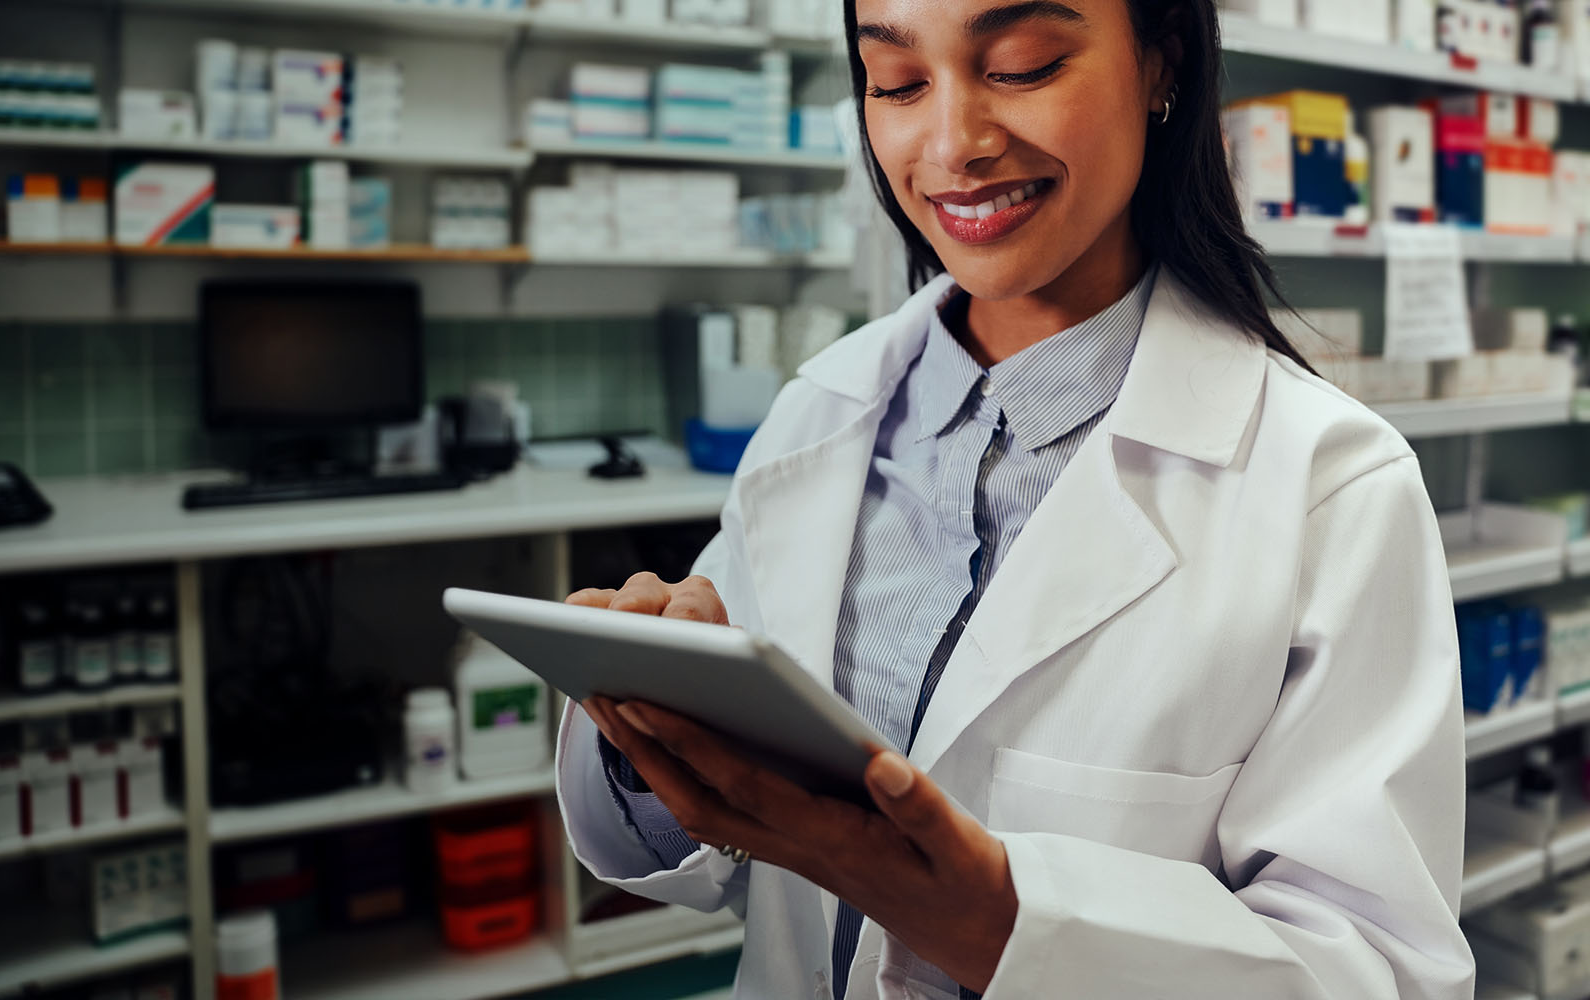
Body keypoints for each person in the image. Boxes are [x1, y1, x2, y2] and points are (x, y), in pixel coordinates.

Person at [555, 0, 1475, 996]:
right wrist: (652, 747)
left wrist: (998, 922)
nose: (953, 143)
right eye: (897, 83)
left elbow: (1380, 969)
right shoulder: (815, 416)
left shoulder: (1331, 485)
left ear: (1159, 69)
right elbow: (718, 865)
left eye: (1026, 66)